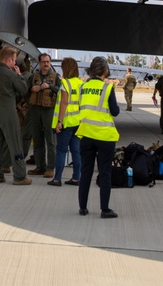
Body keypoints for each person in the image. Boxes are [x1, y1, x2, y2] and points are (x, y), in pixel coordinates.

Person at [76, 56, 121, 218]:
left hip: (86, 134)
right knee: (105, 173)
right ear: (105, 71)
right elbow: (115, 111)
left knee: (85, 171)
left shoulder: (83, 87)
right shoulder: (107, 88)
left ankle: (82, 207)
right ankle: (104, 209)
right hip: (104, 136)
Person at [0, 45, 32, 185]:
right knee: (15, 143)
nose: (15, 62)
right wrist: (18, 75)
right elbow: (23, 89)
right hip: (7, 112)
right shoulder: (10, 74)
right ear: (10, 59)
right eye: (14, 60)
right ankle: (19, 176)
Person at [48, 56, 82, 187]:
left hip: (66, 122)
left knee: (61, 151)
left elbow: (64, 102)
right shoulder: (80, 83)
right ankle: (76, 178)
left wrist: (59, 121)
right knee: (76, 151)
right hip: (77, 122)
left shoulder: (65, 84)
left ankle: (57, 179)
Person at [25, 53, 58, 178]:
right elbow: (25, 89)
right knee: (37, 140)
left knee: (50, 140)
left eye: (48, 62)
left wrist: (49, 86)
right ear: (39, 63)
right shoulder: (34, 76)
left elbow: (60, 90)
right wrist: (32, 89)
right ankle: (40, 166)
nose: (46, 64)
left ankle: (50, 168)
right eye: (43, 62)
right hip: (35, 110)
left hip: (48, 111)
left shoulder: (55, 77)